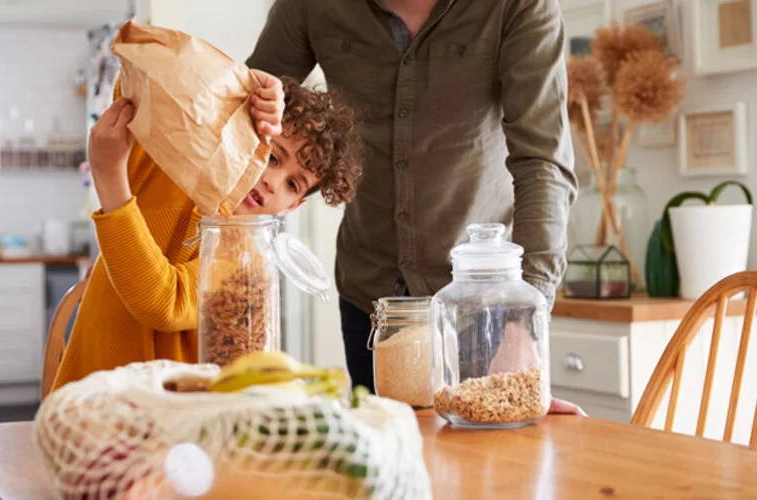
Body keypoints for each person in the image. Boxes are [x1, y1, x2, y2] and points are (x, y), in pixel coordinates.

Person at [248, 0, 583, 414]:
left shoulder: (519, 7)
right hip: (369, 294)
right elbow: (244, 113)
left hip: (482, 305)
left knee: (491, 468)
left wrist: (523, 321)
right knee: (385, 461)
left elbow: (542, 163)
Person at [50, 74, 363, 391]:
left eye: (292, 184)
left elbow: (163, 303)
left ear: (290, 207)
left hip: (172, 419)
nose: (272, 181)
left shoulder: (244, 259)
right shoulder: (173, 161)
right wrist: (238, 82)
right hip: (89, 400)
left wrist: (110, 178)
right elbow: (138, 78)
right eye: (272, 157)